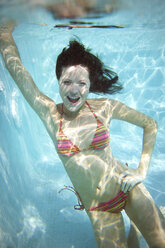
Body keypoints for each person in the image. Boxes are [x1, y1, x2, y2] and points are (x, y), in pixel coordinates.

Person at [0, 24, 165, 248]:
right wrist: (4, 34)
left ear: (90, 85)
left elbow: (150, 124)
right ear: (58, 80)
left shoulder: (104, 107)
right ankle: (134, 231)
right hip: (99, 209)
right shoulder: (50, 114)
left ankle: (136, 226)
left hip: (127, 190)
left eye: (82, 83)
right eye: (67, 82)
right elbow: (18, 71)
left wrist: (141, 171)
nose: (74, 90)